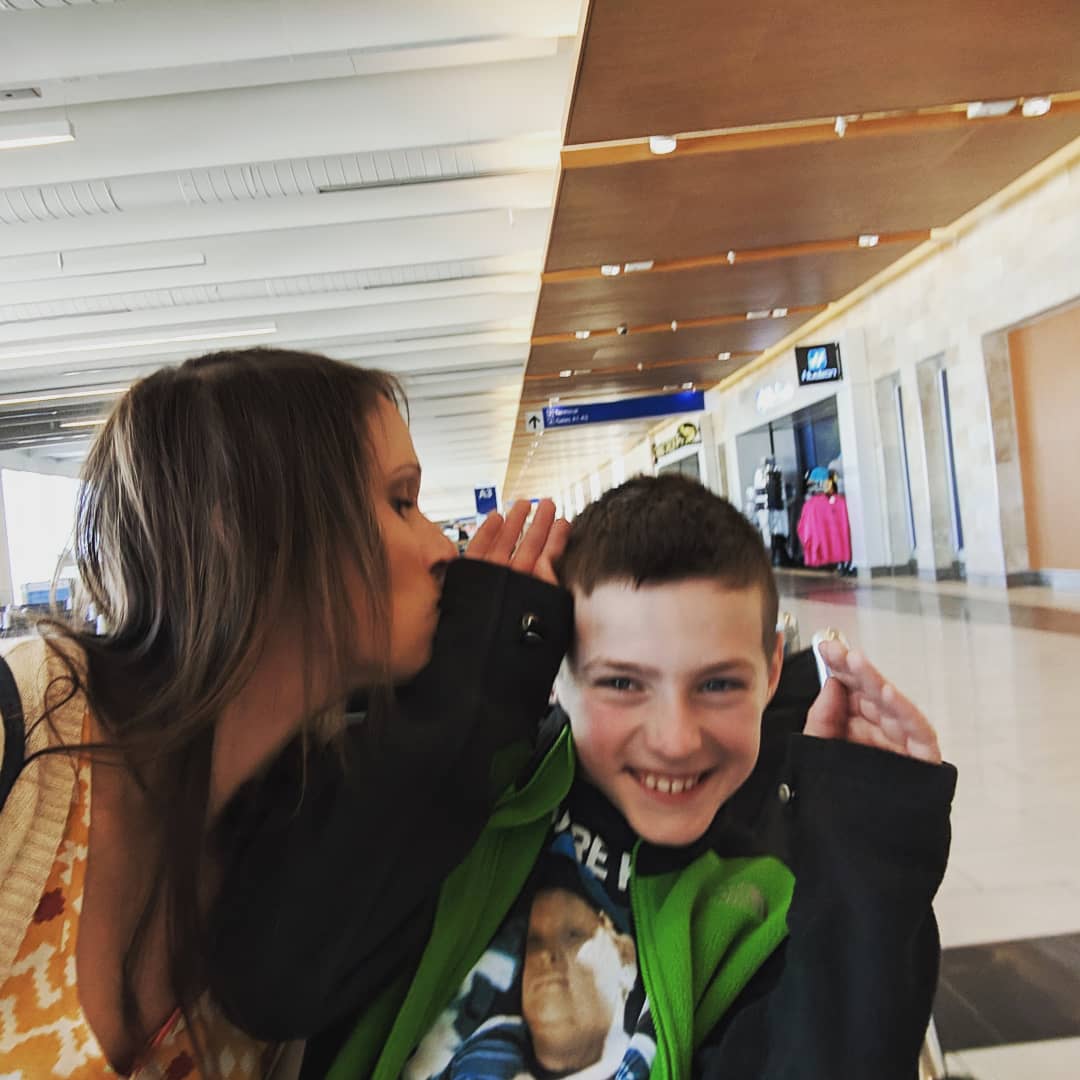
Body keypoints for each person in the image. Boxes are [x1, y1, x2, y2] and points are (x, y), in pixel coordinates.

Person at [210, 474, 956, 1079]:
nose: (674, 739)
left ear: (770, 673)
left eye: (719, 684)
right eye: (622, 684)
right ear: (558, 677)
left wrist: (867, 863)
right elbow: (275, 974)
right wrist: (469, 686)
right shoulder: (463, 802)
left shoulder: (775, 890)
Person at [0, 347, 570, 1079]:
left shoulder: (301, 816)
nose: (441, 548)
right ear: (248, 532)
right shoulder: (26, 733)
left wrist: (481, 676)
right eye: (401, 502)